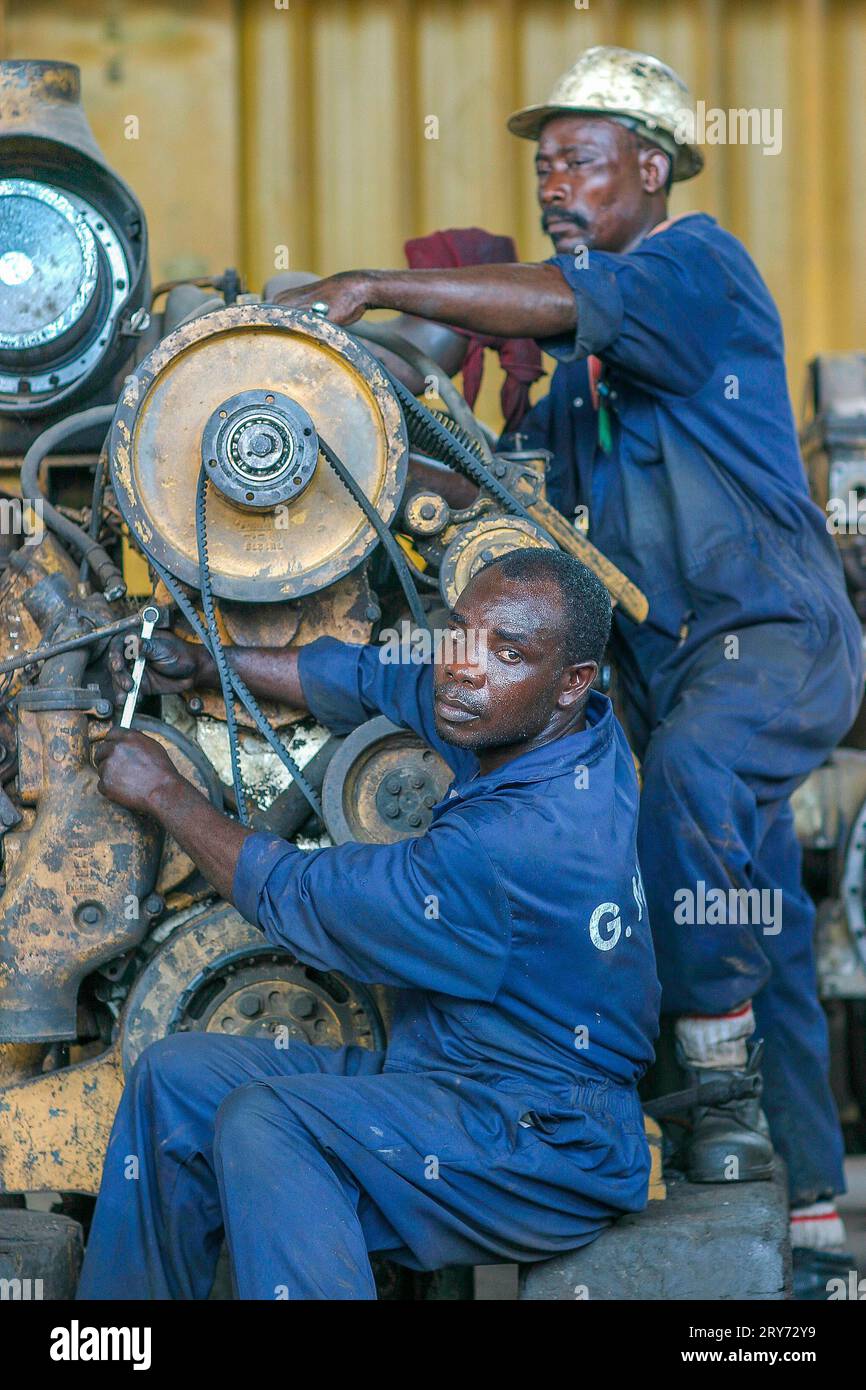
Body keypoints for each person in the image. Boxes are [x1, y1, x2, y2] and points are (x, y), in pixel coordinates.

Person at [271, 45, 863, 1255]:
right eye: (543, 166)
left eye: (580, 161)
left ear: (651, 169)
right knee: (747, 907)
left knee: (691, 778)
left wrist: (377, 285)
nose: (554, 183)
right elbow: (499, 494)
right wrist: (339, 440)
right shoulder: (575, 389)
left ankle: (708, 1076)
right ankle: (805, 1205)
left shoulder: (691, 267)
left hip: (768, 638)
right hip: (667, 664)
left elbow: (550, 295)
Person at [78, 550, 660, 1300]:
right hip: (456, 1082)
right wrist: (205, 664)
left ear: (571, 682)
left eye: (507, 652)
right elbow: (374, 679)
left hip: (544, 1145)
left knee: (270, 1122)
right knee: (177, 1079)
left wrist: (164, 791)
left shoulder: (513, 843)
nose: (464, 667)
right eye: (459, 635)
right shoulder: (567, 735)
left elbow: (299, 895)